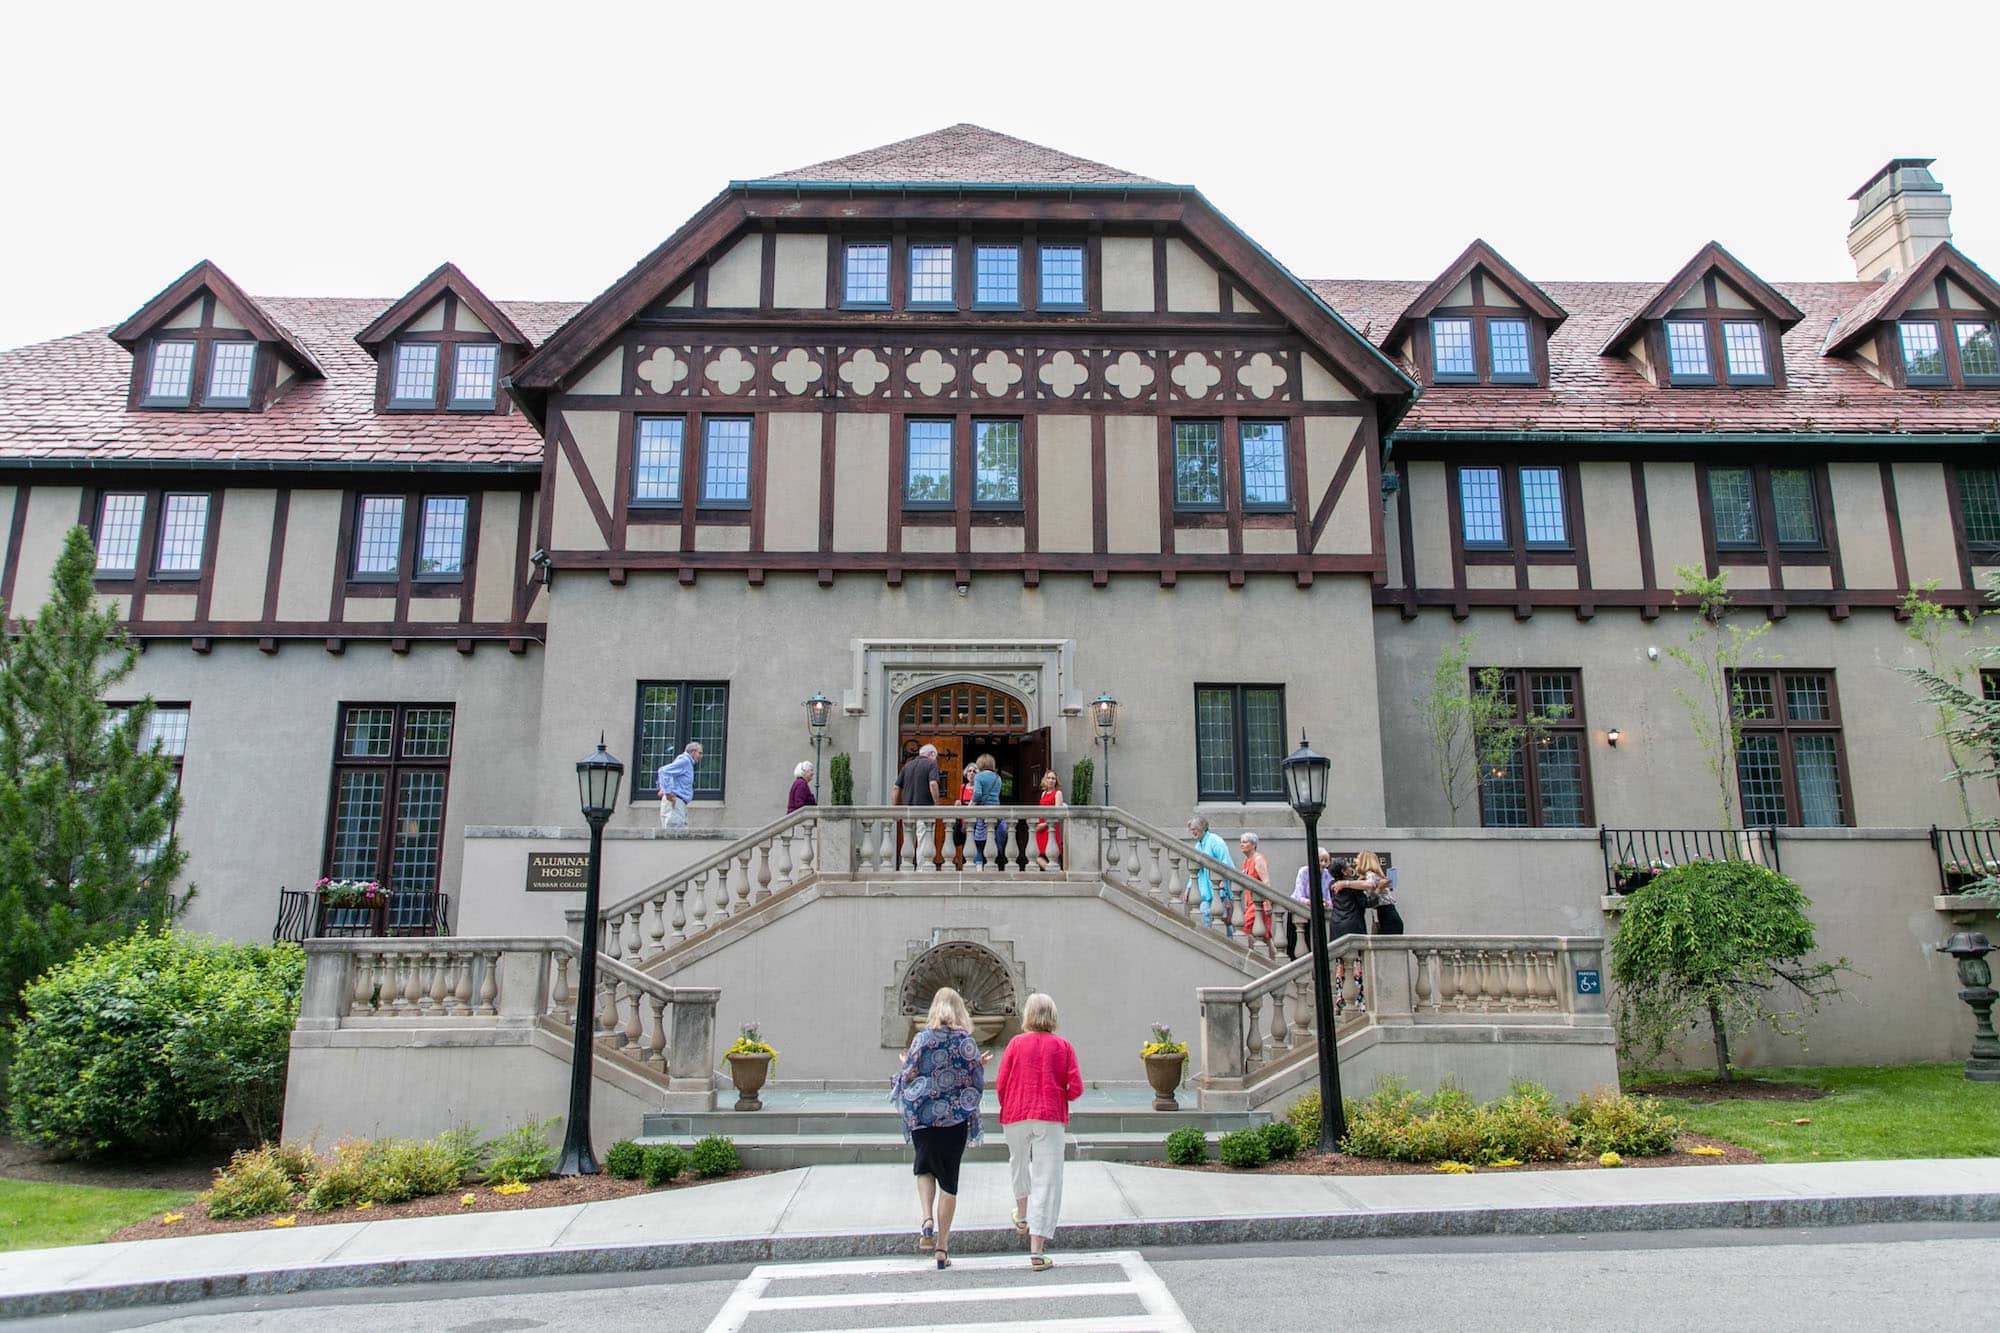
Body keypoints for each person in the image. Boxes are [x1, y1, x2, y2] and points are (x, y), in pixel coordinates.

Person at [891, 986, 985, 1269]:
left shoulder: (923, 1039)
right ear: (960, 1010)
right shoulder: (965, 1042)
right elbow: (975, 1080)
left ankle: (926, 1217)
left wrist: (904, 1065)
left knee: (924, 1167)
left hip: (923, 1116)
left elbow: (908, 1075)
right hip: (954, 1119)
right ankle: (942, 1246)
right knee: (949, 1180)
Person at [996, 992, 1082, 1272]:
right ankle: (1037, 1250)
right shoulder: (1063, 1046)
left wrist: (1009, 1103)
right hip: (1049, 1115)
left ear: (1027, 1016)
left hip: (1015, 1112)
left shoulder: (1015, 1044)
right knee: (1048, 1178)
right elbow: (1076, 1087)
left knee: (1018, 1163)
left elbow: (1001, 1083)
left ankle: (1021, 1214)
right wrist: (1060, 1094)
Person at [893, 743, 943, 869]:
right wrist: (937, 804)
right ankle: (921, 870)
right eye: (935, 756)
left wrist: (894, 808)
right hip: (924, 810)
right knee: (923, 841)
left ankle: (906, 867)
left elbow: (895, 788)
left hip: (908, 810)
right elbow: (933, 784)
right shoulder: (931, 764)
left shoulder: (907, 766)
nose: (935, 759)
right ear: (931, 754)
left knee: (908, 840)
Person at [1184, 815, 1235, 934]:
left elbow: (1225, 861)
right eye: (1191, 830)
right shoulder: (1198, 845)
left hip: (1217, 888)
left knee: (1221, 918)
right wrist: (1188, 889)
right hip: (1204, 890)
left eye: (1194, 829)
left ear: (1202, 828)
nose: (1192, 832)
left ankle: (1230, 941)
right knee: (1207, 914)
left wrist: (1222, 880)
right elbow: (1194, 871)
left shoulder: (1215, 841)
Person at [1288, 848, 1332, 959]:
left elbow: (1328, 896)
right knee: (1298, 943)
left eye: (1325, 861)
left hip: (1315, 913)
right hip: (1300, 912)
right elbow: (1299, 895)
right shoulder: (1304, 871)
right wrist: (1312, 902)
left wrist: (1326, 903)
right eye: (1320, 860)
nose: (1323, 864)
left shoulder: (1327, 874)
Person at [1237, 831, 1274, 952]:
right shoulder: (1246, 861)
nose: (1242, 844)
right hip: (1251, 902)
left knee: (1245, 928)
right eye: (1241, 842)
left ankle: (1258, 954)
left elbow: (1266, 881)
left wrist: (1267, 902)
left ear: (1253, 845)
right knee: (1264, 936)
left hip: (1260, 903)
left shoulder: (1258, 859)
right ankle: (1274, 960)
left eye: (1245, 842)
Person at [1354, 850, 1404, 934]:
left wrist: (1347, 884)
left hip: (1387, 915)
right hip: (1388, 914)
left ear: (1364, 861)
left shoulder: (1370, 875)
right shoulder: (1375, 875)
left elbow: (1370, 887)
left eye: (1358, 859)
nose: (1356, 861)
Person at [656, 741, 701, 829]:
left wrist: (663, 788)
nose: (701, 756)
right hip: (676, 802)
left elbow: (671, 775)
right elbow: (664, 771)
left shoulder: (687, 763)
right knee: (675, 833)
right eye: (700, 753)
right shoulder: (685, 761)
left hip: (680, 803)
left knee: (681, 834)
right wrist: (667, 792)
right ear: (692, 752)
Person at [971, 753, 1002, 869]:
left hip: (982, 813)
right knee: (991, 838)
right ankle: (991, 865)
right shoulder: (998, 778)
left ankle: (979, 867)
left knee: (978, 842)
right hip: (995, 812)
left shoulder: (979, 776)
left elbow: (978, 794)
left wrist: (970, 805)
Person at [1033, 770, 1064, 870]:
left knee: (1052, 854)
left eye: (1053, 778)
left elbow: (1057, 813)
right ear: (1045, 780)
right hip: (1040, 827)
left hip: (1050, 827)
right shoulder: (1043, 794)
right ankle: (1051, 870)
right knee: (1036, 854)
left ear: (1056, 781)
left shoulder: (1058, 793)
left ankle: (1053, 871)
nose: (1051, 780)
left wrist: (1046, 824)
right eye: (1049, 778)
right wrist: (1038, 824)